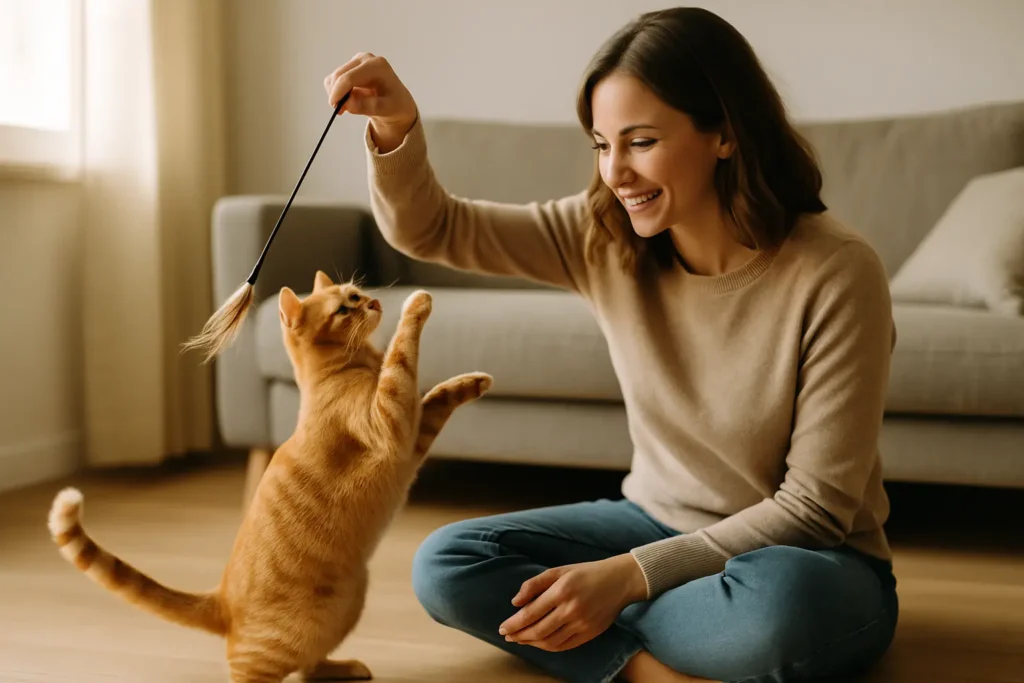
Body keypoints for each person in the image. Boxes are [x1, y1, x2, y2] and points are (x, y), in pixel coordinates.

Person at [323, 7, 898, 683]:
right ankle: (650, 668)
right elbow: (437, 228)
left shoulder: (837, 271)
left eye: (641, 141)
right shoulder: (603, 234)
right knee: (448, 562)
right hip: (651, 520)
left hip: (803, 557)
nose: (616, 171)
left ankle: (615, 635)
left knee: (783, 611)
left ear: (725, 133)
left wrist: (627, 579)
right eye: (601, 144)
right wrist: (395, 128)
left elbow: (815, 510)